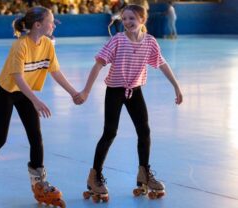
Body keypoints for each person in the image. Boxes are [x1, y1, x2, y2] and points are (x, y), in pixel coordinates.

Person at [0, 6, 81, 208]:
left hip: (25, 93)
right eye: (51, 21)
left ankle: (39, 183)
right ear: (38, 25)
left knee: (36, 138)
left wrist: (73, 93)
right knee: (0, 138)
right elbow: (17, 78)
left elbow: (56, 72)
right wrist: (36, 101)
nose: (54, 25)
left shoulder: (47, 44)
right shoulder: (21, 46)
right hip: (7, 92)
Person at [78, 4, 183, 202]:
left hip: (135, 91)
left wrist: (176, 86)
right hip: (115, 91)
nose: (127, 23)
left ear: (142, 20)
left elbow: (162, 63)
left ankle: (143, 173)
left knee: (144, 132)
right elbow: (99, 64)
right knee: (110, 132)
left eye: (131, 19)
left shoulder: (150, 42)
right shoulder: (118, 40)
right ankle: (94, 177)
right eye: (124, 19)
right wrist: (85, 91)